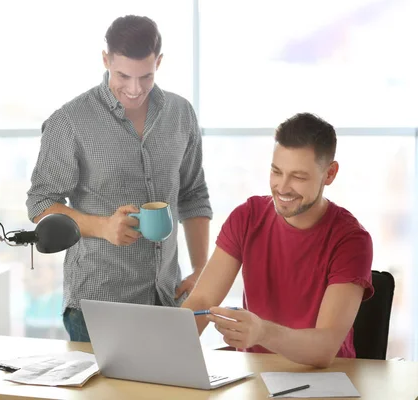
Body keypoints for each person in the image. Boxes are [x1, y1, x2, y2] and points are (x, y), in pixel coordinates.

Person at [26, 15, 212, 342]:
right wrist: (102, 226)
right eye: (123, 75)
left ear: (160, 62)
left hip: (167, 299)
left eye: (146, 76)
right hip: (98, 304)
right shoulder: (70, 121)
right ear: (105, 60)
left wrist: (201, 271)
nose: (135, 89)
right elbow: (40, 203)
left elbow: (194, 195)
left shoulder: (181, 114)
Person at [183, 112, 374, 368]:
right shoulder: (247, 217)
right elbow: (203, 301)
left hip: (324, 380)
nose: (282, 187)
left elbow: (325, 347)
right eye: (276, 171)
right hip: (254, 375)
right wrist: (170, 350)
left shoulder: (351, 240)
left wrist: (261, 333)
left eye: (298, 177)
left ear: (329, 174)